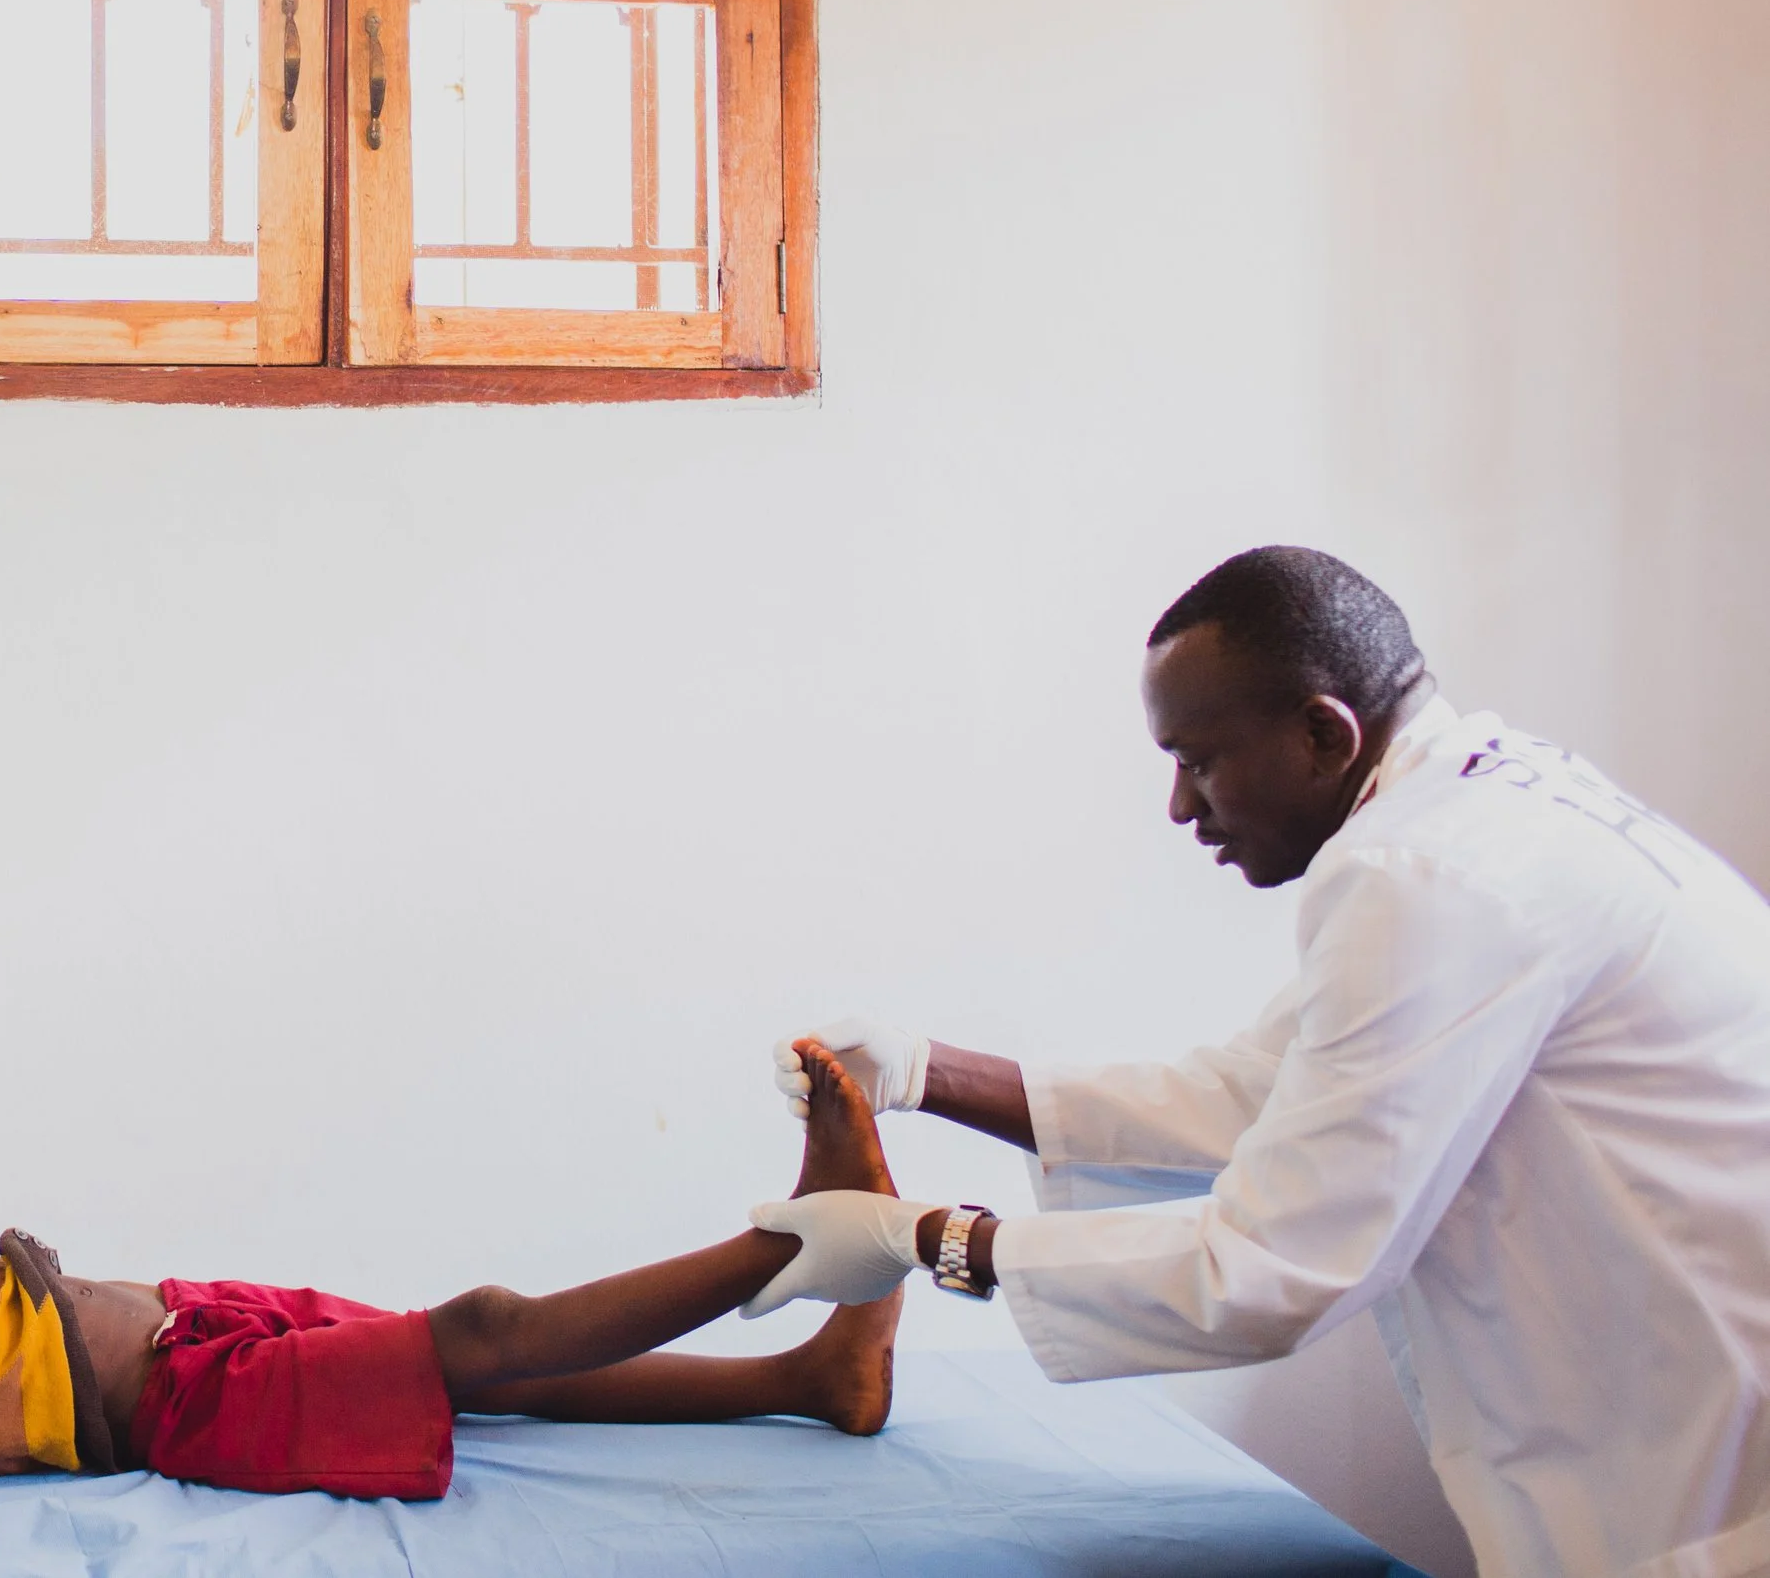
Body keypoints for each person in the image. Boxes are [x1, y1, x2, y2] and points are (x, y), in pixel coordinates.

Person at [747, 547, 1770, 1578]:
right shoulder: (1481, 811)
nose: (1180, 808)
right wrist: (924, 1072)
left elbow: (1268, 1269)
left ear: (1325, 733)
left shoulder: (1424, 876)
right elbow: (1269, 1097)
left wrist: (923, 1239)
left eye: (1198, 760)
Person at [0, 1045, 901, 1500]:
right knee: (485, 1331)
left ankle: (804, 1377)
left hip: (190, 1316)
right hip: (189, 1404)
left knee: (492, 1378)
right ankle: (800, 1241)